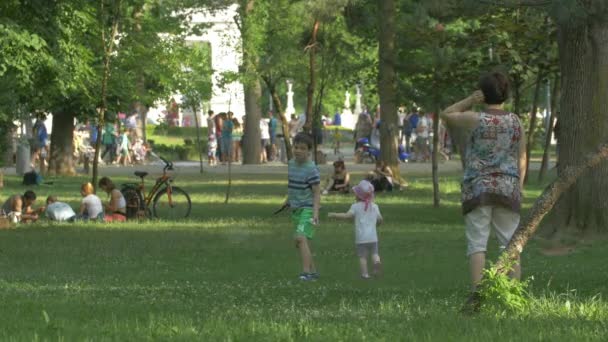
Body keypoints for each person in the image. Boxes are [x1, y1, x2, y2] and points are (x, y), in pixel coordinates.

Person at [441, 71, 526, 306]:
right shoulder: (515, 121)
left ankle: (478, 296)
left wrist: (470, 99)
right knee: (510, 244)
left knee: (477, 243)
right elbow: (522, 157)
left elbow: (447, 114)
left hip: (478, 188)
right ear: (506, 93)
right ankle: (514, 295)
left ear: (483, 93)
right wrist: (518, 186)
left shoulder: (475, 118)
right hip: (508, 188)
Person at [328, 180, 383, 279]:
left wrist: (334, 214)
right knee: (375, 253)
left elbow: (347, 216)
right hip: (373, 237)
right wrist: (377, 224)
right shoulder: (374, 206)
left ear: (358, 196)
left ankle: (365, 274)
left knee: (362, 257)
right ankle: (376, 261)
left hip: (361, 238)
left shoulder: (355, 207)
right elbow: (380, 219)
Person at [286, 133, 321, 281]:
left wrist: (315, 213)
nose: (298, 150)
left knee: (300, 238)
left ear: (309, 151)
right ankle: (313, 272)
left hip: (308, 209)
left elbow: (317, 192)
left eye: (302, 148)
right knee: (300, 242)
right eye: (296, 147)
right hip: (295, 209)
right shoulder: (291, 164)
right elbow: (292, 185)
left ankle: (305, 273)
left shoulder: (311, 169)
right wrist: (287, 200)